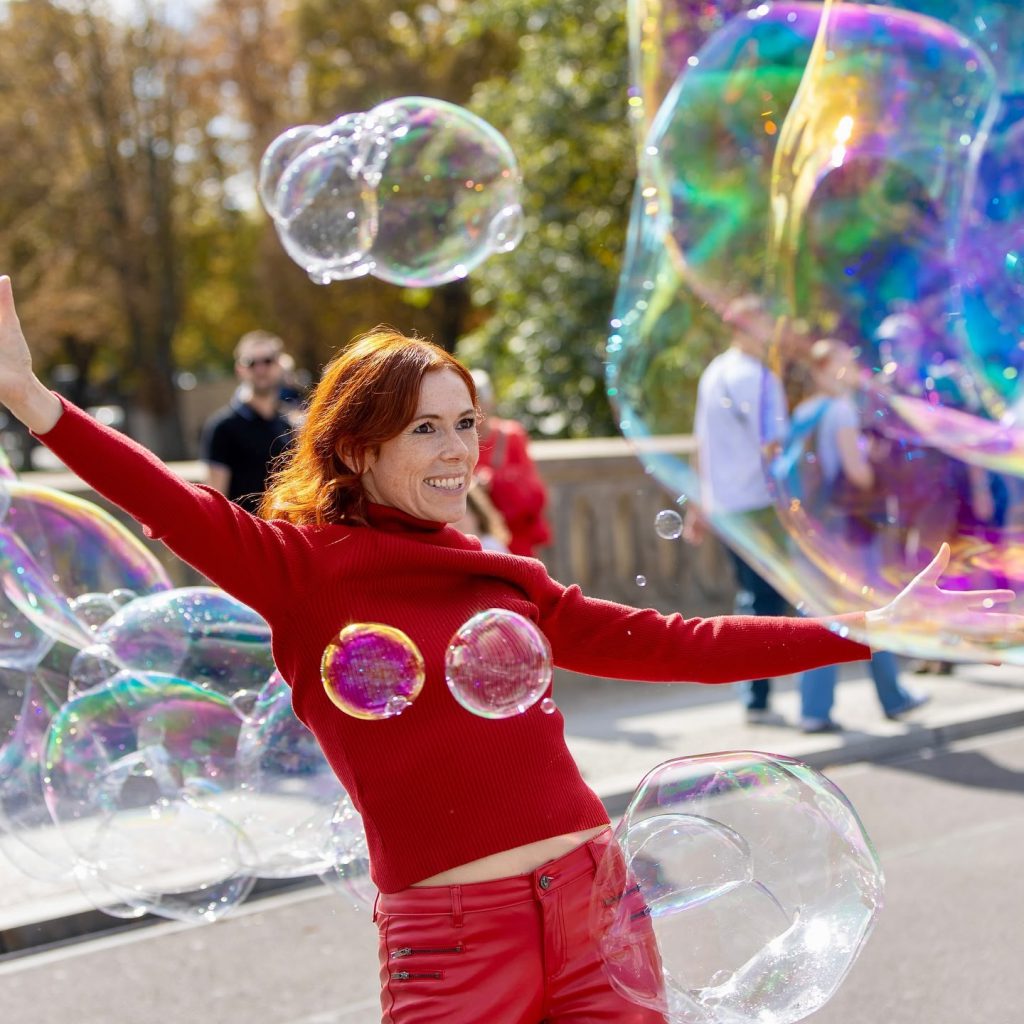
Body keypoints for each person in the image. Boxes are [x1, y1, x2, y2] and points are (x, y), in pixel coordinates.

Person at [0, 275, 1016, 1024]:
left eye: (464, 424)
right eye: (424, 431)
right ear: (359, 446)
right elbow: (169, 504)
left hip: (595, 906)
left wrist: (869, 628)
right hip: (449, 946)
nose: (456, 452)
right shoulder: (297, 570)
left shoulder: (500, 574)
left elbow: (675, 643)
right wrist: (36, 402)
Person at [789, 339, 930, 732]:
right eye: (842, 364)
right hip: (847, 526)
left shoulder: (803, 411)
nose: (850, 370)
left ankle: (815, 708)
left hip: (813, 523)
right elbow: (858, 474)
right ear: (823, 371)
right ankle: (892, 696)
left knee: (821, 609)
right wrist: (879, 465)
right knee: (868, 607)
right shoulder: (840, 410)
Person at [683, 294, 804, 724]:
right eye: (764, 321)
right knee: (767, 601)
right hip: (758, 503)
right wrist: (794, 504)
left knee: (752, 596)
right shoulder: (758, 378)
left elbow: (702, 444)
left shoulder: (715, 372)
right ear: (744, 326)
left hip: (727, 505)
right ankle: (756, 695)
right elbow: (775, 450)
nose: (772, 329)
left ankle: (752, 691)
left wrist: (701, 501)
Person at [200, 329, 300, 513]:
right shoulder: (222, 427)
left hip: (285, 536)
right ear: (240, 369)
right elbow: (215, 504)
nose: (260, 369)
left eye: (268, 361)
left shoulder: (288, 425)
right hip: (244, 538)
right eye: (251, 363)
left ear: (279, 365)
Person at [470, 369, 552, 557]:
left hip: (513, 536)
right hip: (477, 535)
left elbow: (533, 491)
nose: (478, 411)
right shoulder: (458, 438)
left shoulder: (511, 435)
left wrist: (492, 480)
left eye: (480, 401)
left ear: (491, 402)